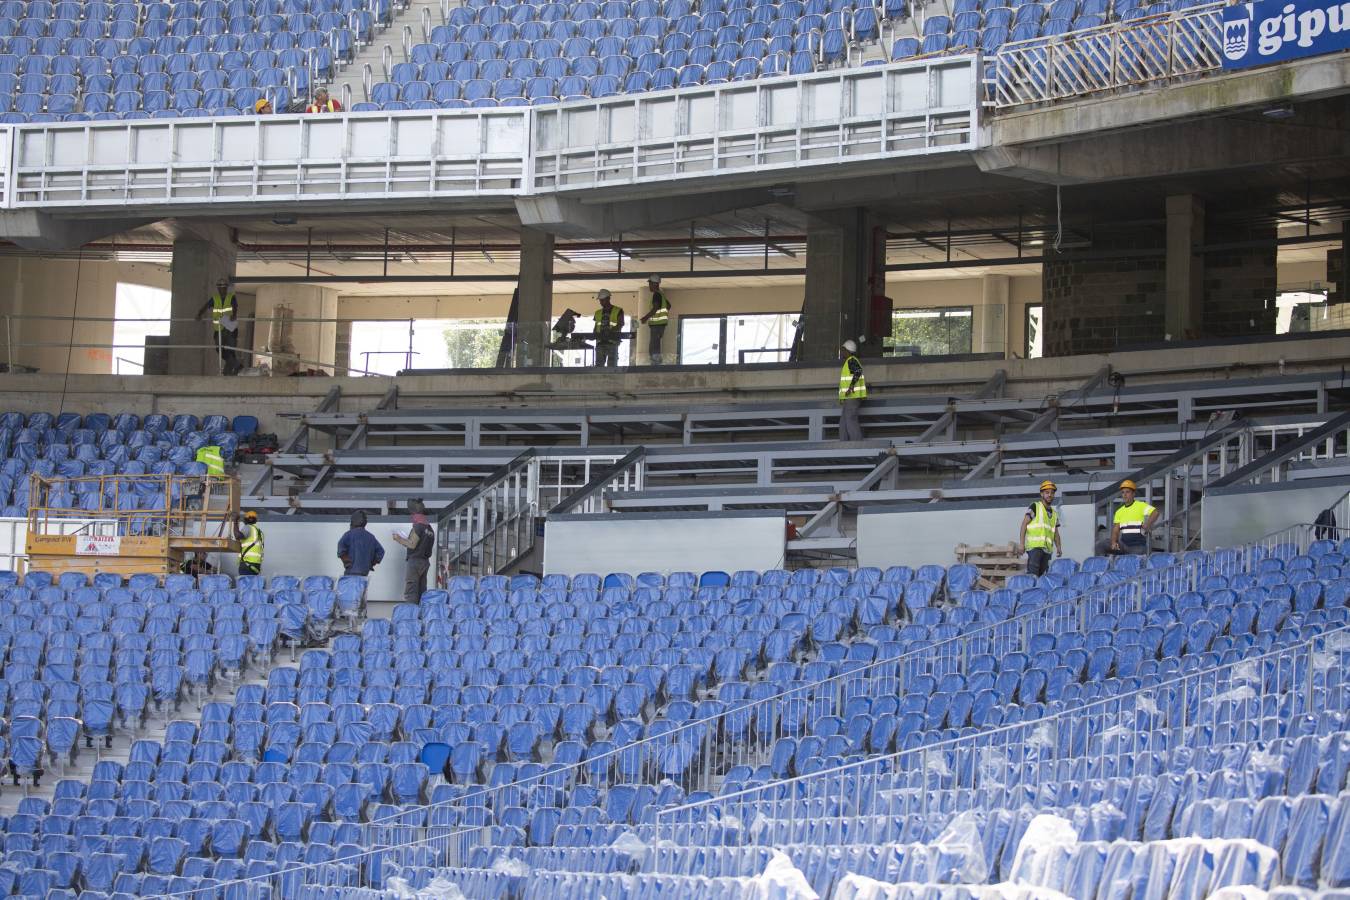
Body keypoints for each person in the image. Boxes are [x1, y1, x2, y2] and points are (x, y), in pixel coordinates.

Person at [391, 499, 434, 602]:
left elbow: (412, 544)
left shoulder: (418, 526)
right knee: (422, 590)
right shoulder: (429, 528)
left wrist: (398, 538)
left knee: (411, 591)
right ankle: (421, 610)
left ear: (414, 514)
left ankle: (411, 611)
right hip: (425, 562)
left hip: (415, 562)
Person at [1018, 480, 1062, 576]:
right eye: (1047, 492)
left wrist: (1058, 547)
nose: (1050, 495)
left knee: (1042, 577)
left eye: (1052, 493)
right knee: (1033, 576)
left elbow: (1056, 533)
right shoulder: (1035, 506)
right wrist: (1021, 544)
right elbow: (1024, 524)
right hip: (1035, 548)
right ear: (1042, 494)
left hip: (1047, 551)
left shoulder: (1054, 514)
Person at [196, 279, 237, 375]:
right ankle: (236, 366)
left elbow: (235, 307)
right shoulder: (215, 299)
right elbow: (205, 306)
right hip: (219, 328)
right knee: (219, 349)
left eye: (224, 287)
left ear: (226, 288)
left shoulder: (231, 297)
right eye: (220, 287)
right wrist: (199, 314)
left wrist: (234, 315)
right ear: (218, 288)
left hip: (230, 328)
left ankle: (230, 371)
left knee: (230, 350)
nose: (222, 289)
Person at [1110, 479, 1159, 555]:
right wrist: (1113, 542)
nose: (1124, 495)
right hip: (1124, 545)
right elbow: (1115, 530)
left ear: (1133, 494)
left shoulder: (1140, 505)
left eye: (1127, 492)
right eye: (1123, 492)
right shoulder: (1119, 511)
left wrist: (1147, 525)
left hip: (1138, 545)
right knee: (1101, 545)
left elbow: (1155, 512)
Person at [338, 510, 385, 576]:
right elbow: (381, 551)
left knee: (350, 582)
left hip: (351, 570)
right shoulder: (371, 537)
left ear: (353, 521)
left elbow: (341, 547)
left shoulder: (349, 534)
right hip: (365, 571)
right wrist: (372, 563)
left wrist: (347, 561)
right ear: (365, 522)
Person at [638, 275, 671, 365]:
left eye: (650, 284)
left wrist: (645, 318)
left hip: (657, 325)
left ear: (655, 284)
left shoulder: (656, 295)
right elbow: (668, 306)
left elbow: (655, 308)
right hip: (661, 325)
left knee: (653, 347)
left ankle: (655, 365)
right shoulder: (661, 295)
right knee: (655, 346)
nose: (649, 286)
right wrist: (662, 313)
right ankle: (656, 364)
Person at [838, 339, 866, 441]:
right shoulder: (849, 361)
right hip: (849, 398)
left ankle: (857, 445)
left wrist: (851, 387)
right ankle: (844, 444)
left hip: (852, 397)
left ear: (848, 351)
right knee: (844, 422)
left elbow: (858, 371)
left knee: (850, 421)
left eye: (843, 350)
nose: (842, 352)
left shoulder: (851, 360)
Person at [592, 289, 625, 367]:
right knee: (599, 366)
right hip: (600, 342)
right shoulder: (597, 313)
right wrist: (593, 335)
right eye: (600, 300)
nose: (600, 302)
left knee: (612, 366)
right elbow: (596, 327)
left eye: (602, 300)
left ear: (608, 298)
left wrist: (610, 331)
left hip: (612, 342)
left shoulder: (618, 310)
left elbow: (620, 324)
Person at [232, 510, 265, 576]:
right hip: (256, 565)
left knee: (245, 582)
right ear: (255, 520)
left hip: (247, 564)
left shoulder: (248, 527)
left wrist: (235, 521)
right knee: (252, 582)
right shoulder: (260, 532)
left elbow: (237, 535)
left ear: (245, 520)